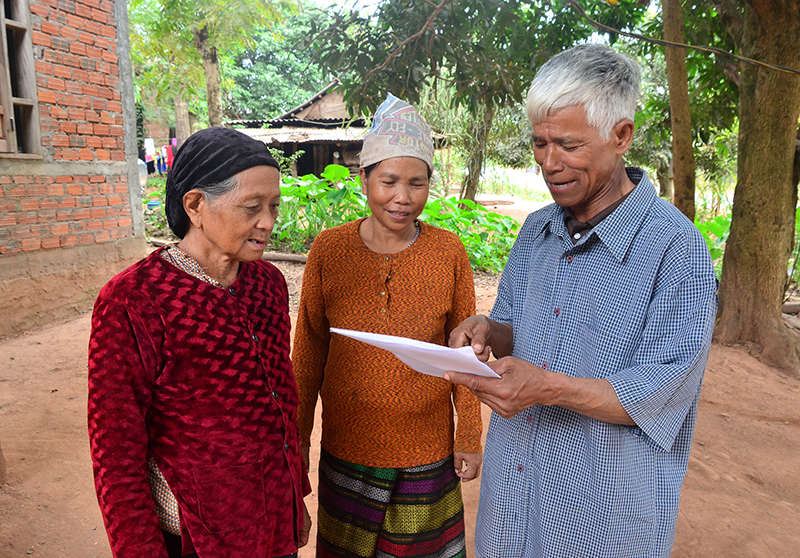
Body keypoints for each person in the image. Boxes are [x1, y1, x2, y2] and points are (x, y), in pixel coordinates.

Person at [445, 44, 718, 558]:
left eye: (568, 145)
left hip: (600, 521)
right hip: (512, 503)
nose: (549, 163)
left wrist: (546, 387)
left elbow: (655, 395)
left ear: (622, 136)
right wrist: (486, 329)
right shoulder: (537, 230)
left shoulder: (676, 250)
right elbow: (511, 326)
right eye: (539, 144)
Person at [87, 127, 311, 558]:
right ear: (195, 205)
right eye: (252, 207)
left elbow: (283, 398)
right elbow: (114, 448)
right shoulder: (134, 300)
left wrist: (295, 496)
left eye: (273, 206)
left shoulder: (269, 284)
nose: (267, 221)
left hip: (272, 521)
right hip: (196, 536)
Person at [292, 93, 483, 558]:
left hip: (427, 453)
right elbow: (309, 352)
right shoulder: (329, 250)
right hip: (347, 449)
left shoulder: (447, 252)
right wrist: (296, 437)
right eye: (389, 181)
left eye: (416, 183)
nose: (402, 197)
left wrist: (469, 437)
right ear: (364, 179)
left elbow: (465, 354)